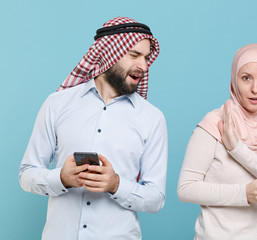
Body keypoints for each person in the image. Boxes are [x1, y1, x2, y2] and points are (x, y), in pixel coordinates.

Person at [19, 16, 167, 240]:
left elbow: (156, 198)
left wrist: (116, 185)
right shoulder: (57, 104)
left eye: (146, 58)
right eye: (134, 55)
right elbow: (26, 174)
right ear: (109, 54)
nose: (143, 66)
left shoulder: (152, 118)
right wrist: (62, 178)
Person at [177, 43, 257, 240]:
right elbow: (186, 189)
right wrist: (244, 194)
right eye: (246, 78)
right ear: (234, 80)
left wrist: (238, 150)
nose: (255, 89)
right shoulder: (214, 125)